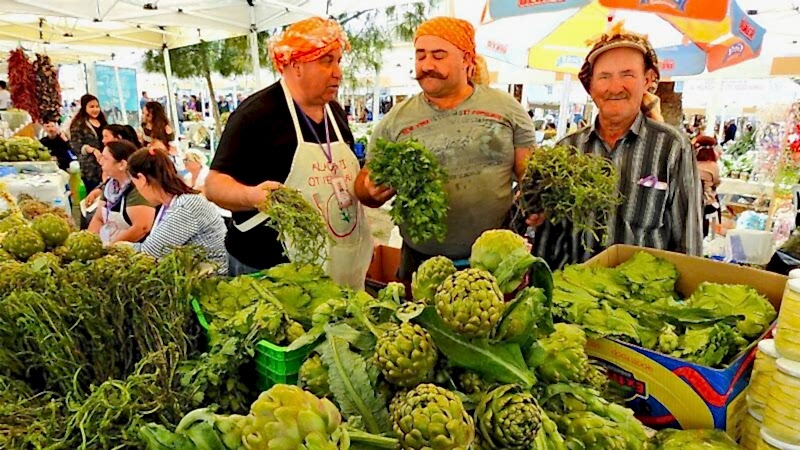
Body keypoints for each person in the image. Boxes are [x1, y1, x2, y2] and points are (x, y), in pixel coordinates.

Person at [354, 17, 537, 280]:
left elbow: (529, 176)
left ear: (466, 59)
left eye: (439, 55)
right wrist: (370, 190)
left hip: (498, 261)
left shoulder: (506, 109)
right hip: (420, 264)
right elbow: (364, 183)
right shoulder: (396, 120)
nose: (427, 65)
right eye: (421, 56)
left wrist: (536, 204)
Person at [206, 17, 372, 288]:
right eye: (326, 61)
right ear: (296, 65)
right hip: (268, 272)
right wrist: (252, 196)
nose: (338, 72)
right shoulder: (255, 115)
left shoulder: (336, 114)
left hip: (336, 265)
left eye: (339, 61)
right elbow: (214, 185)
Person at [532, 23, 702, 269]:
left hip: (642, 290)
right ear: (591, 86)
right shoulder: (566, 150)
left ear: (647, 80)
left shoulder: (672, 147)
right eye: (604, 77)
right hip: (575, 287)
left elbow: (689, 242)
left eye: (627, 75)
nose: (615, 87)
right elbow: (548, 239)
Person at [127, 147, 227, 273]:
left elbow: (150, 253)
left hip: (212, 278)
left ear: (141, 179)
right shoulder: (175, 203)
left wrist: (120, 246)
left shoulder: (187, 206)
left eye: (135, 184)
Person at [88, 140, 155, 244]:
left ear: (122, 164)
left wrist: (111, 248)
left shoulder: (137, 189)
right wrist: (88, 241)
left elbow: (142, 227)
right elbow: (98, 218)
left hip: (128, 249)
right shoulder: (110, 186)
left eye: (105, 158)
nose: (100, 162)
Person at [69, 94, 107, 192]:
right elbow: (75, 146)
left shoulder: (103, 121)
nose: (95, 109)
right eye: (91, 107)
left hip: (106, 163)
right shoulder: (78, 124)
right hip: (89, 167)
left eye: (97, 106)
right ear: (84, 107)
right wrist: (92, 150)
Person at [695, 135, 721, 237]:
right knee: (715, 198)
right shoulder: (713, 166)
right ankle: (708, 233)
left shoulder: (691, 163)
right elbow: (716, 182)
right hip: (706, 204)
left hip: (690, 200)